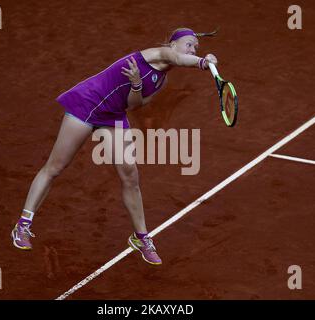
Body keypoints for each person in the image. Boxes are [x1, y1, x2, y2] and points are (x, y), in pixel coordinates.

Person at [11, 27, 218, 265]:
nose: (192, 49)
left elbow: (135, 105)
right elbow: (180, 59)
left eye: (196, 48)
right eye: (189, 44)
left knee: (130, 175)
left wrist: (137, 85)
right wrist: (203, 62)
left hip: (113, 115)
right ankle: (23, 225)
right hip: (87, 104)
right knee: (55, 167)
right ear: (172, 44)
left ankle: (141, 238)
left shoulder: (161, 80)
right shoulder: (158, 53)